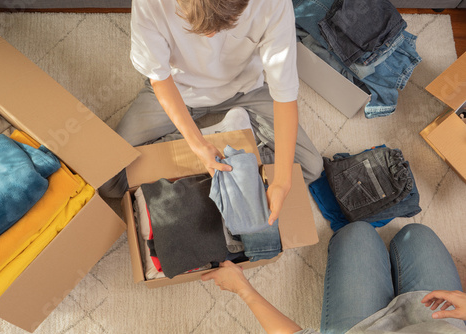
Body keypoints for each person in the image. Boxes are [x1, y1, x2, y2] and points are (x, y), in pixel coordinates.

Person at [99, 0, 323, 224]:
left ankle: (229, 141)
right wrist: (198, 144)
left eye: (223, 27)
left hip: (245, 90)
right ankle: (225, 134)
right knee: (109, 179)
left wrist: (282, 182)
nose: (210, 38)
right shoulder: (150, 3)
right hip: (177, 89)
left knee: (310, 167)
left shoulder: (273, 4)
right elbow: (159, 78)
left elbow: (284, 95)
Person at [202, 222, 466, 333]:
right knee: (417, 232)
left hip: (364, 328)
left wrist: (243, 290)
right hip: (444, 320)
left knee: (357, 232)